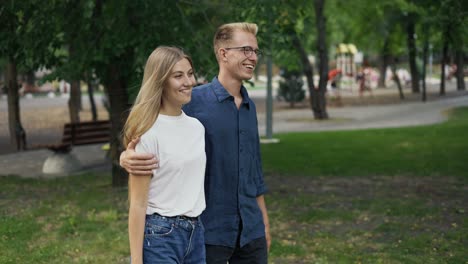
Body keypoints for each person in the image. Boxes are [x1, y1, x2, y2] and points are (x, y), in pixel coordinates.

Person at [121, 22, 271, 264]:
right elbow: (153, 123)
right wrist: (125, 156)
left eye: (255, 51)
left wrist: (263, 221)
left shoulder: (248, 106)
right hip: (210, 233)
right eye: (246, 50)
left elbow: (253, 170)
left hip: (247, 232)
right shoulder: (193, 100)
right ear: (224, 53)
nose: (252, 57)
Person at [124, 46, 206, 264]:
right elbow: (137, 203)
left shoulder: (197, 128)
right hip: (161, 235)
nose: (188, 81)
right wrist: (136, 261)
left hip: (196, 233)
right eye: (178, 76)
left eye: (190, 73)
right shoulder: (148, 133)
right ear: (160, 81)